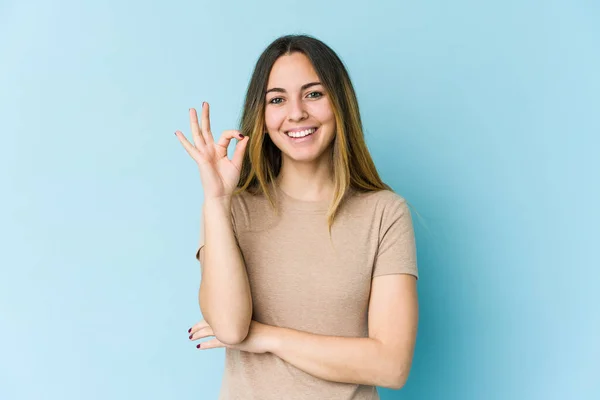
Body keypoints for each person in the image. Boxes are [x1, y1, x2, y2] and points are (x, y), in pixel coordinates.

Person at [175, 34, 419, 400]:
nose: (296, 113)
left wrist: (267, 337)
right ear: (262, 114)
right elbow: (228, 326)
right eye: (277, 99)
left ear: (340, 103)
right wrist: (216, 200)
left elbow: (391, 366)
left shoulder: (384, 213)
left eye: (313, 94)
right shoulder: (231, 209)